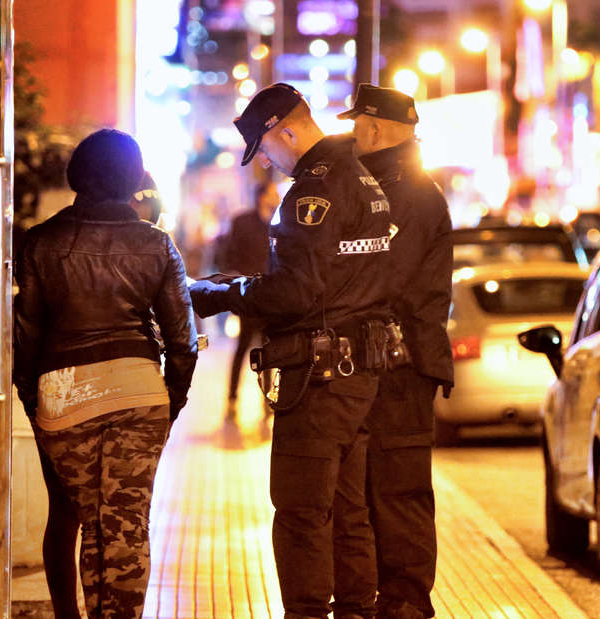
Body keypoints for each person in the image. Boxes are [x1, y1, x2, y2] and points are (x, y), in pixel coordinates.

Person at [188, 82, 393, 619]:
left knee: (303, 512)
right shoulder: (365, 180)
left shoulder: (312, 192)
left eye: (268, 149)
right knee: (350, 512)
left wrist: (225, 291)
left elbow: (297, 291)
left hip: (320, 379)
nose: (270, 163)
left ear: (288, 130)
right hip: (361, 372)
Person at [14, 128, 198, 619]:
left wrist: (37, 404)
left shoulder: (40, 242)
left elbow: (26, 338)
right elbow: (183, 342)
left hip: (63, 396)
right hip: (138, 393)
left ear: (77, 176)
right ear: (133, 177)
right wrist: (169, 402)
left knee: (84, 518)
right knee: (125, 524)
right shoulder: (157, 245)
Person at [339, 84, 454, 619]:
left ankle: (406, 603)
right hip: (389, 361)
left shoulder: (406, 192)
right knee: (377, 487)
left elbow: (383, 277)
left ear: (376, 128)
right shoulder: (392, 184)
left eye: (356, 124)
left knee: (397, 490)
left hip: (401, 366)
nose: (352, 135)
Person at [214, 178, 280, 425]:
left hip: (270, 296)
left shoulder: (277, 222)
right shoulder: (243, 222)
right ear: (263, 196)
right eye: (273, 192)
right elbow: (228, 255)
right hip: (248, 295)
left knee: (268, 351)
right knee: (242, 347)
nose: (277, 196)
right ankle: (232, 398)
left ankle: (266, 401)